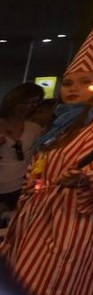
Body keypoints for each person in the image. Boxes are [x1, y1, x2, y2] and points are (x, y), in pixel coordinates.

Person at [1, 12, 93, 295]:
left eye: (85, 82)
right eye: (69, 82)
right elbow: (37, 170)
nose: (73, 88)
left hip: (73, 223)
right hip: (35, 218)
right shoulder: (56, 128)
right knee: (18, 285)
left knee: (50, 292)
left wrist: (86, 178)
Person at [0, 83, 44, 213]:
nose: (29, 107)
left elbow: (39, 158)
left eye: (34, 102)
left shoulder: (34, 129)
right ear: (13, 99)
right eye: (24, 102)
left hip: (19, 188)